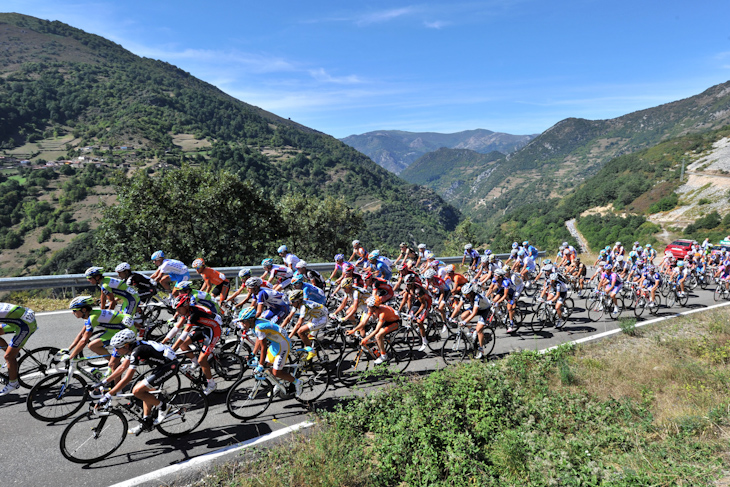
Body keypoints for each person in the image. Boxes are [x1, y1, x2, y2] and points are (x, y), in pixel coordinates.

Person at [97, 329, 179, 435]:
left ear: (126, 346)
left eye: (117, 348)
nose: (115, 351)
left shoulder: (137, 351)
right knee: (143, 391)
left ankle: (164, 407)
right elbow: (122, 367)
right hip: (160, 365)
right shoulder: (132, 348)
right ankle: (146, 421)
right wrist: (104, 382)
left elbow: (127, 378)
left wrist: (108, 395)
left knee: (137, 391)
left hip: (169, 366)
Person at [238, 307, 302, 397]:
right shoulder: (254, 325)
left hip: (283, 344)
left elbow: (264, 347)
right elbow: (258, 339)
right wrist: (253, 353)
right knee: (267, 367)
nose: (242, 324)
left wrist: (260, 365)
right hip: (275, 344)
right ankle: (280, 382)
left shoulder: (259, 327)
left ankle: (298, 382)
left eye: (243, 321)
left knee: (276, 372)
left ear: (251, 320)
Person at [167, 293, 221, 395]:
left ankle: (212, 384)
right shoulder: (186, 311)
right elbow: (176, 328)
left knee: (202, 360)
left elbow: (183, 334)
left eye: (179, 309)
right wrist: (163, 342)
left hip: (214, 330)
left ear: (186, 306)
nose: (177, 312)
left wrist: (172, 349)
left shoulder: (193, 314)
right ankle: (194, 362)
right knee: (183, 345)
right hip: (203, 328)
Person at [64, 296, 136, 372]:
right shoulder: (91, 315)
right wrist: (69, 349)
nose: (73, 313)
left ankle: (115, 362)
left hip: (124, 331)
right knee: (93, 345)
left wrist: (71, 357)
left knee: (93, 346)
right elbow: (81, 334)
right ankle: (114, 360)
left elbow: (84, 340)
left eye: (75, 310)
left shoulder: (92, 318)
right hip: (114, 330)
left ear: (84, 310)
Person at [0, 303, 38, 396]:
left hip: (25, 326)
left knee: (8, 357)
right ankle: (14, 354)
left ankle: (13, 383)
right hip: (20, 320)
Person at [354, 296, 401, 365]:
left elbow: (377, 330)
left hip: (395, 322)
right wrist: (354, 330)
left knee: (378, 336)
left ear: (374, 307)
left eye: (368, 306)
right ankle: (382, 349)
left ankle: (384, 356)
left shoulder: (382, 314)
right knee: (374, 336)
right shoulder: (373, 309)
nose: (367, 307)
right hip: (387, 321)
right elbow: (364, 322)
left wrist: (366, 339)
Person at [449, 284, 491, 359]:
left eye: (467, 294)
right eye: (464, 294)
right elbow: (458, 307)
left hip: (485, 309)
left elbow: (474, 312)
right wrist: (451, 317)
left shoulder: (477, 297)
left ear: (471, 293)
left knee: (479, 329)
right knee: (463, 316)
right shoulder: (464, 296)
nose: (465, 296)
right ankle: (471, 330)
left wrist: (465, 322)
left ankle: (481, 349)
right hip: (476, 307)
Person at [284, 290, 328, 360]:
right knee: (307, 335)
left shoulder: (303, 307)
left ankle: (311, 351)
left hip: (322, 318)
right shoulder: (296, 304)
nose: (291, 303)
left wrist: (289, 337)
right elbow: (288, 318)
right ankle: (307, 352)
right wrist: (280, 327)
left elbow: (298, 324)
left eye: (292, 302)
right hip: (316, 316)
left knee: (300, 331)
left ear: (298, 301)